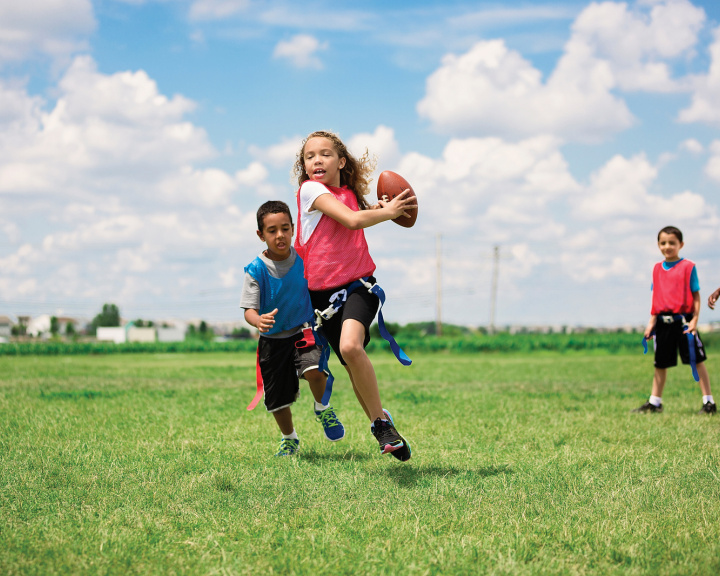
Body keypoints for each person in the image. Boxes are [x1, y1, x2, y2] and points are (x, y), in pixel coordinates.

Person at [292, 130, 417, 462]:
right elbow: (351, 221)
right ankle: (383, 425)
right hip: (320, 301)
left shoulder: (346, 194)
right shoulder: (310, 190)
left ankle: (380, 426)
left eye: (325, 154)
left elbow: (356, 216)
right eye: (309, 156)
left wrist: (381, 208)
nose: (317, 160)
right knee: (350, 364)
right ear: (304, 166)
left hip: (358, 287)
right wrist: (386, 213)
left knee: (350, 347)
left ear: (341, 161)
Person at [241, 200, 345, 456]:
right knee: (277, 399)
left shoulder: (304, 258)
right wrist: (258, 320)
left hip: (304, 330)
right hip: (272, 341)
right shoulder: (255, 270)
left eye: (286, 228)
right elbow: (248, 310)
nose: (280, 236)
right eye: (272, 230)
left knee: (315, 369)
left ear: (293, 228)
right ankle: (290, 439)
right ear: (260, 235)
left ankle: (323, 407)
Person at [633, 226, 716, 414]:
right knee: (660, 363)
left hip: (684, 322)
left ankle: (708, 402)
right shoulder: (656, 269)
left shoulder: (688, 267)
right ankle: (655, 402)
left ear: (681, 244)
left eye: (672, 243)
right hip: (662, 322)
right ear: (658, 245)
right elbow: (657, 298)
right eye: (663, 243)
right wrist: (651, 322)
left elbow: (696, 295)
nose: (667, 246)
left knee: (697, 360)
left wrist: (695, 320)